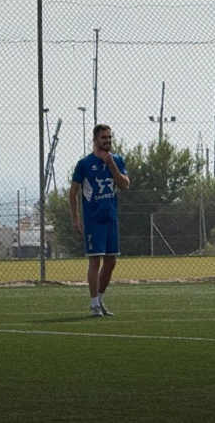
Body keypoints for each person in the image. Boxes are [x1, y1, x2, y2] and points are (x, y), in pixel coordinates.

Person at [69, 124, 129, 317]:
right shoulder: (85, 164)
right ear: (95, 140)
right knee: (95, 261)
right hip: (94, 219)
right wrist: (76, 217)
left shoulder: (117, 160)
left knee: (111, 261)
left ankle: (101, 300)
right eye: (104, 138)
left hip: (110, 217)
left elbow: (125, 185)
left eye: (110, 138)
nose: (108, 141)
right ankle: (93, 303)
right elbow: (73, 193)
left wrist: (111, 164)